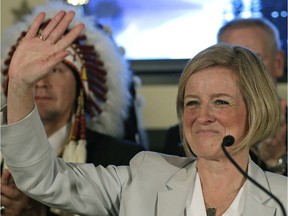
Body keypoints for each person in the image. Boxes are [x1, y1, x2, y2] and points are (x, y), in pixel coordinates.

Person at [1, 10, 287, 216]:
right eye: (192, 103)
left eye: (221, 102)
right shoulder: (145, 176)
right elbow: (43, 179)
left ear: (256, 108)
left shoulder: (282, 197)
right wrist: (19, 85)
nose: (203, 116)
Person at [0, 3, 145, 216]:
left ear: (81, 87)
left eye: (55, 70)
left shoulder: (121, 160)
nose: (40, 82)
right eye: (31, 74)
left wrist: (39, 213)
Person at [163, 17, 287, 175]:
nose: (237, 68)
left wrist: (275, 162)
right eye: (228, 57)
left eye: (254, 59)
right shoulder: (185, 135)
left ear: (278, 63)